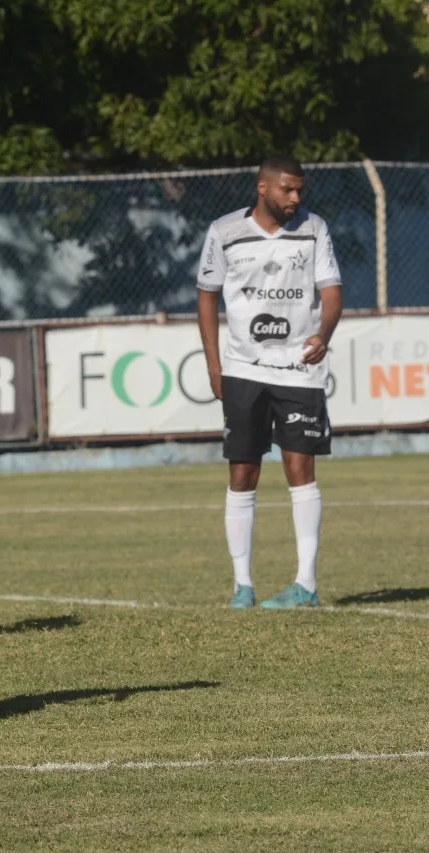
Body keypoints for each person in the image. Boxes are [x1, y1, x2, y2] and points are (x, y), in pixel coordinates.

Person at [197, 154, 343, 609]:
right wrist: (214, 366)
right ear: (263, 188)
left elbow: (332, 291)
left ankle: (306, 585)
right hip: (243, 369)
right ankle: (242, 586)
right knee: (243, 471)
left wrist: (324, 333)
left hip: (299, 368)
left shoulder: (314, 228)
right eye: (288, 190)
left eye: (300, 190)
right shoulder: (224, 232)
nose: (296, 198)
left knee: (301, 470)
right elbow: (206, 297)